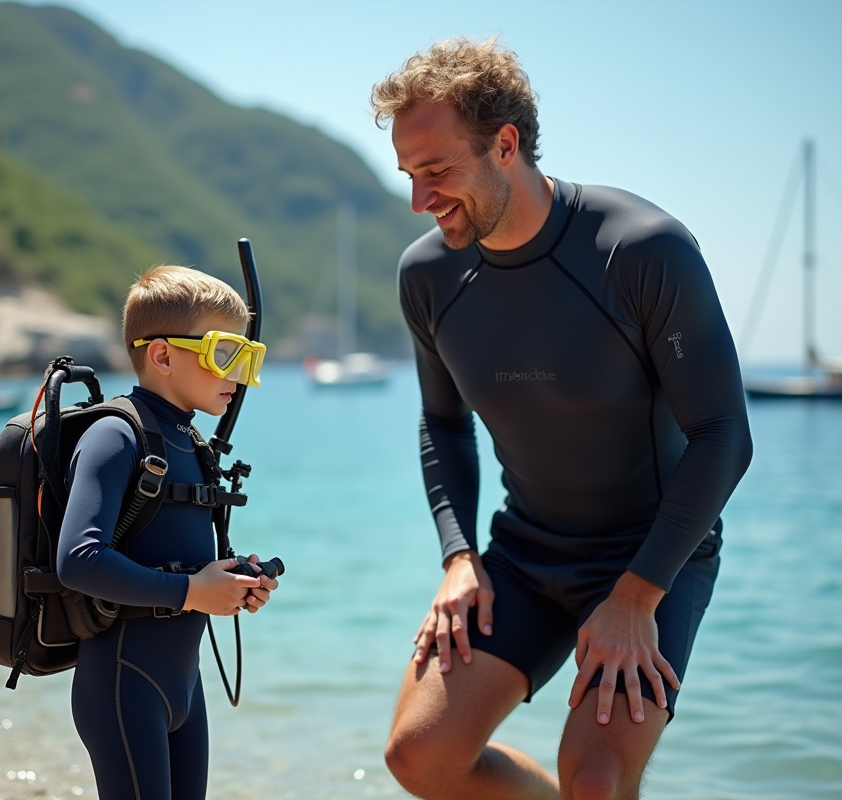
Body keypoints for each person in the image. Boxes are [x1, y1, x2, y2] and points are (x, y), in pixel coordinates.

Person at [371, 38, 753, 799]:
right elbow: (442, 423)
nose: (420, 199)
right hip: (525, 556)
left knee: (598, 783)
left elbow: (723, 435)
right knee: (419, 756)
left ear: (504, 144)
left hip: (652, 557)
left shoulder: (641, 251)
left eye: (437, 170)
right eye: (409, 175)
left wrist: (636, 597)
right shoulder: (428, 275)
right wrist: (458, 556)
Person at [56, 265, 278, 800]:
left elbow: (178, 556)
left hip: (185, 686)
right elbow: (77, 559)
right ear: (161, 355)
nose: (240, 375)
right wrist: (191, 592)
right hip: (123, 685)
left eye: (248, 357)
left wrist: (231, 583)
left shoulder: (193, 444)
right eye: (226, 353)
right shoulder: (116, 436)